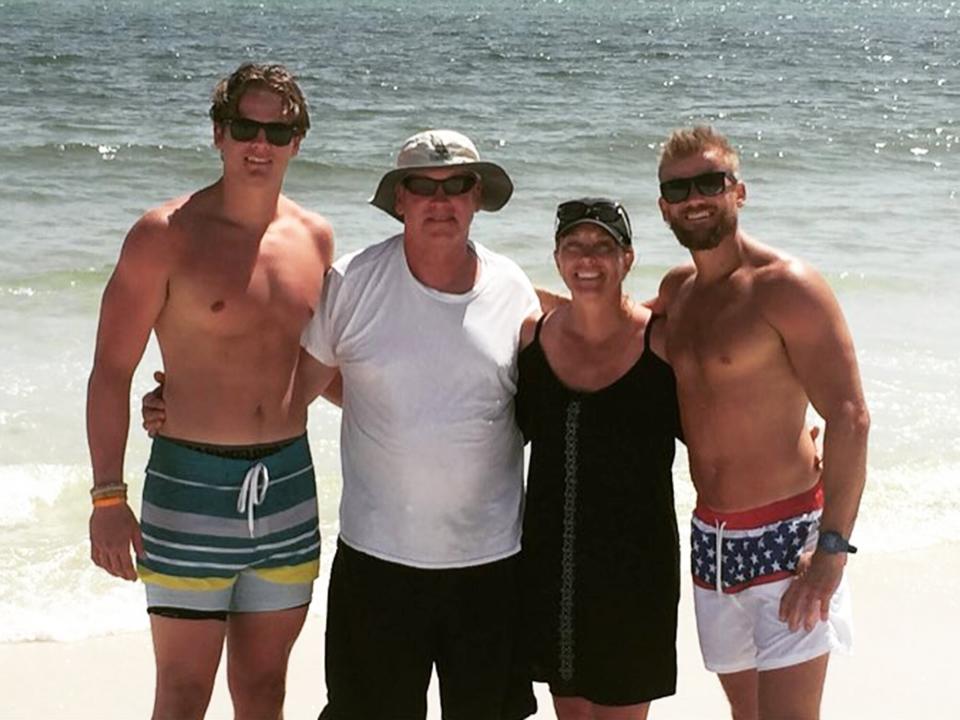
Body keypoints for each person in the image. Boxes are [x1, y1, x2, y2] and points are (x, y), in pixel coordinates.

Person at [86, 62, 333, 720]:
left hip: (287, 488)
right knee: (183, 693)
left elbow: (324, 365)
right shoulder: (163, 235)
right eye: (244, 127)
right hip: (189, 489)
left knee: (263, 692)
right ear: (219, 135)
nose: (261, 144)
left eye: (278, 131)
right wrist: (107, 494)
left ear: (299, 141)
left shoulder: (315, 238)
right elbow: (111, 370)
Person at [295, 129, 540, 720]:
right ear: (398, 199)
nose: (441, 200)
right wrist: (187, 403)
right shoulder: (352, 282)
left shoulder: (511, 286)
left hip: (491, 565)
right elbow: (294, 388)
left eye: (456, 185)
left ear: (477, 196)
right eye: (422, 187)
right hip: (377, 562)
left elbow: (545, 401)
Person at [654, 125, 870, 720]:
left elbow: (850, 417)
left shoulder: (787, 287)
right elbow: (608, 333)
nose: (694, 197)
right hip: (713, 546)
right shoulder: (678, 293)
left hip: (789, 540)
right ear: (663, 206)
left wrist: (830, 551)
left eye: (709, 182)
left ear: (738, 192)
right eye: (679, 188)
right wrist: (510, 298)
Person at [515, 199, 683, 720]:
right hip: (551, 562)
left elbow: (721, 422)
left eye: (603, 247)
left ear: (628, 259)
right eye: (574, 247)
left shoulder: (662, 343)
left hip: (636, 567)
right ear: (558, 258)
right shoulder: (532, 338)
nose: (588, 259)